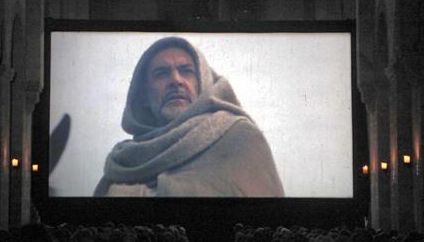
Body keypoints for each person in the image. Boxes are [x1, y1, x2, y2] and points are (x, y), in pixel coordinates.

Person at [94, 36, 284, 197]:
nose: (176, 80)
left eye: (186, 71)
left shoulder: (239, 136)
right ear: (143, 96)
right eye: (162, 73)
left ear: (203, 83)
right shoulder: (124, 160)